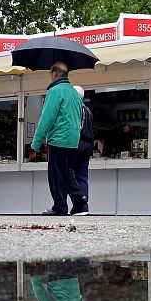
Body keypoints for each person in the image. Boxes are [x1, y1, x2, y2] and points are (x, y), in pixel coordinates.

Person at [31, 61, 87, 216]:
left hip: (59, 138)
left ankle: (60, 206)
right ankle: (79, 199)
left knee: (55, 174)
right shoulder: (73, 93)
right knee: (67, 172)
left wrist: (36, 142)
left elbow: (47, 118)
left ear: (54, 74)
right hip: (73, 140)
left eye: (50, 73)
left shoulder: (55, 91)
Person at [70, 85, 93, 215]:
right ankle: (84, 207)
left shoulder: (75, 110)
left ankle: (78, 203)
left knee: (69, 174)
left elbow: (76, 128)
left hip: (76, 146)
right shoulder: (88, 110)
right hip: (87, 147)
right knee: (82, 177)